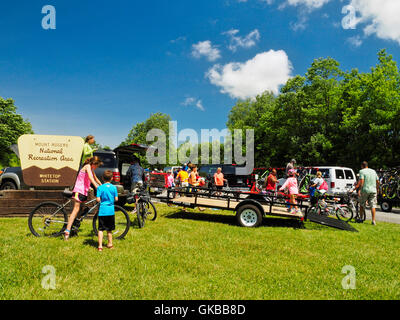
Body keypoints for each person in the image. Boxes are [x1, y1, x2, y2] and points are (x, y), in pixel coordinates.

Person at [64, 156, 103, 240]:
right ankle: (67, 231)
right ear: (93, 164)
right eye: (97, 166)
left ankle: (74, 229)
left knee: (82, 210)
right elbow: (91, 178)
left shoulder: (91, 169)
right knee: (76, 210)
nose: (97, 167)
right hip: (79, 190)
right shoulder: (87, 166)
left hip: (84, 192)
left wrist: (102, 186)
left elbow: (96, 178)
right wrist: (97, 187)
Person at [96, 170, 118, 252]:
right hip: (110, 211)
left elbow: (98, 199)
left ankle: (100, 246)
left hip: (102, 211)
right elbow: (116, 199)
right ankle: (110, 244)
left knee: (101, 229)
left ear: (102, 178)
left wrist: (101, 200)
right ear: (112, 178)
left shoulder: (100, 188)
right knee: (109, 229)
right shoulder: (114, 187)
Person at [358, 161, 379, 225]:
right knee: (373, 205)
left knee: (362, 204)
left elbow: (362, 181)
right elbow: (377, 181)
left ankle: (361, 218)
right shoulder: (373, 171)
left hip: (365, 190)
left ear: (362, 166)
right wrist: (377, 189)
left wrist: (359, 190)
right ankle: (373, 220)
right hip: (373, 190)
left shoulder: (361, 171)